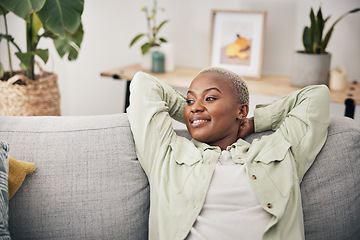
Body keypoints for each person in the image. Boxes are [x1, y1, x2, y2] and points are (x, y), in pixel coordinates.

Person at [127, 67, 330, 240]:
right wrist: (198, 113)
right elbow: (143, 84)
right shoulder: (166, 152)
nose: (195, 106)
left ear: (241, 111)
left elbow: (317, 96)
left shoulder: (279, 150)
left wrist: (253, 121)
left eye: (210, 98)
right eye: (190, 101)